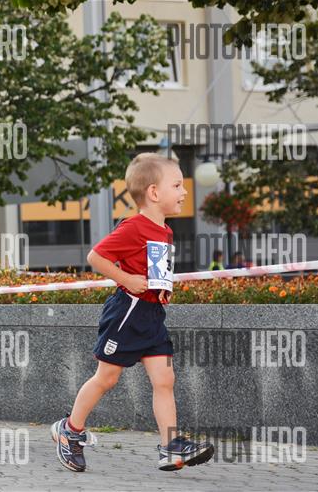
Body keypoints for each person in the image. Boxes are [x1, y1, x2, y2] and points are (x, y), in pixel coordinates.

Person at [51, 153, 214, 472]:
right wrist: (126, 279)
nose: (184, 192)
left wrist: (162, 288)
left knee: (165, 379)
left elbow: (156, 271)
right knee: (106, 378)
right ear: (153, 192)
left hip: (153, 316)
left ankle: (170, 446)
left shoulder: (165, 230)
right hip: (127, 313)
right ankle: (70, 430)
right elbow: (96, 257)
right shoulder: (134, 228)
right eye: (177, 185)